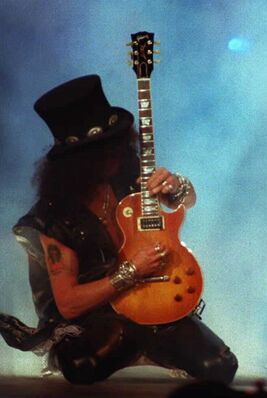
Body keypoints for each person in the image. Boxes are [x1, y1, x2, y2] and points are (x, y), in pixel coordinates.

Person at [0, 75, 237, 385]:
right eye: (102, 151)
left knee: (220, 366)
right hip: (96, 315)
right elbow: (70, 302)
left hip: (153, 300)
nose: (114, 155)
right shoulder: (53, 217)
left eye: (116, 144)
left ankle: (152, 345)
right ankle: (142, 348)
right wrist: (131, 271)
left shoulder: (127, 173)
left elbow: (185, 202)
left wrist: (177, 185)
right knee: (82, 366)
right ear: (77, 161)